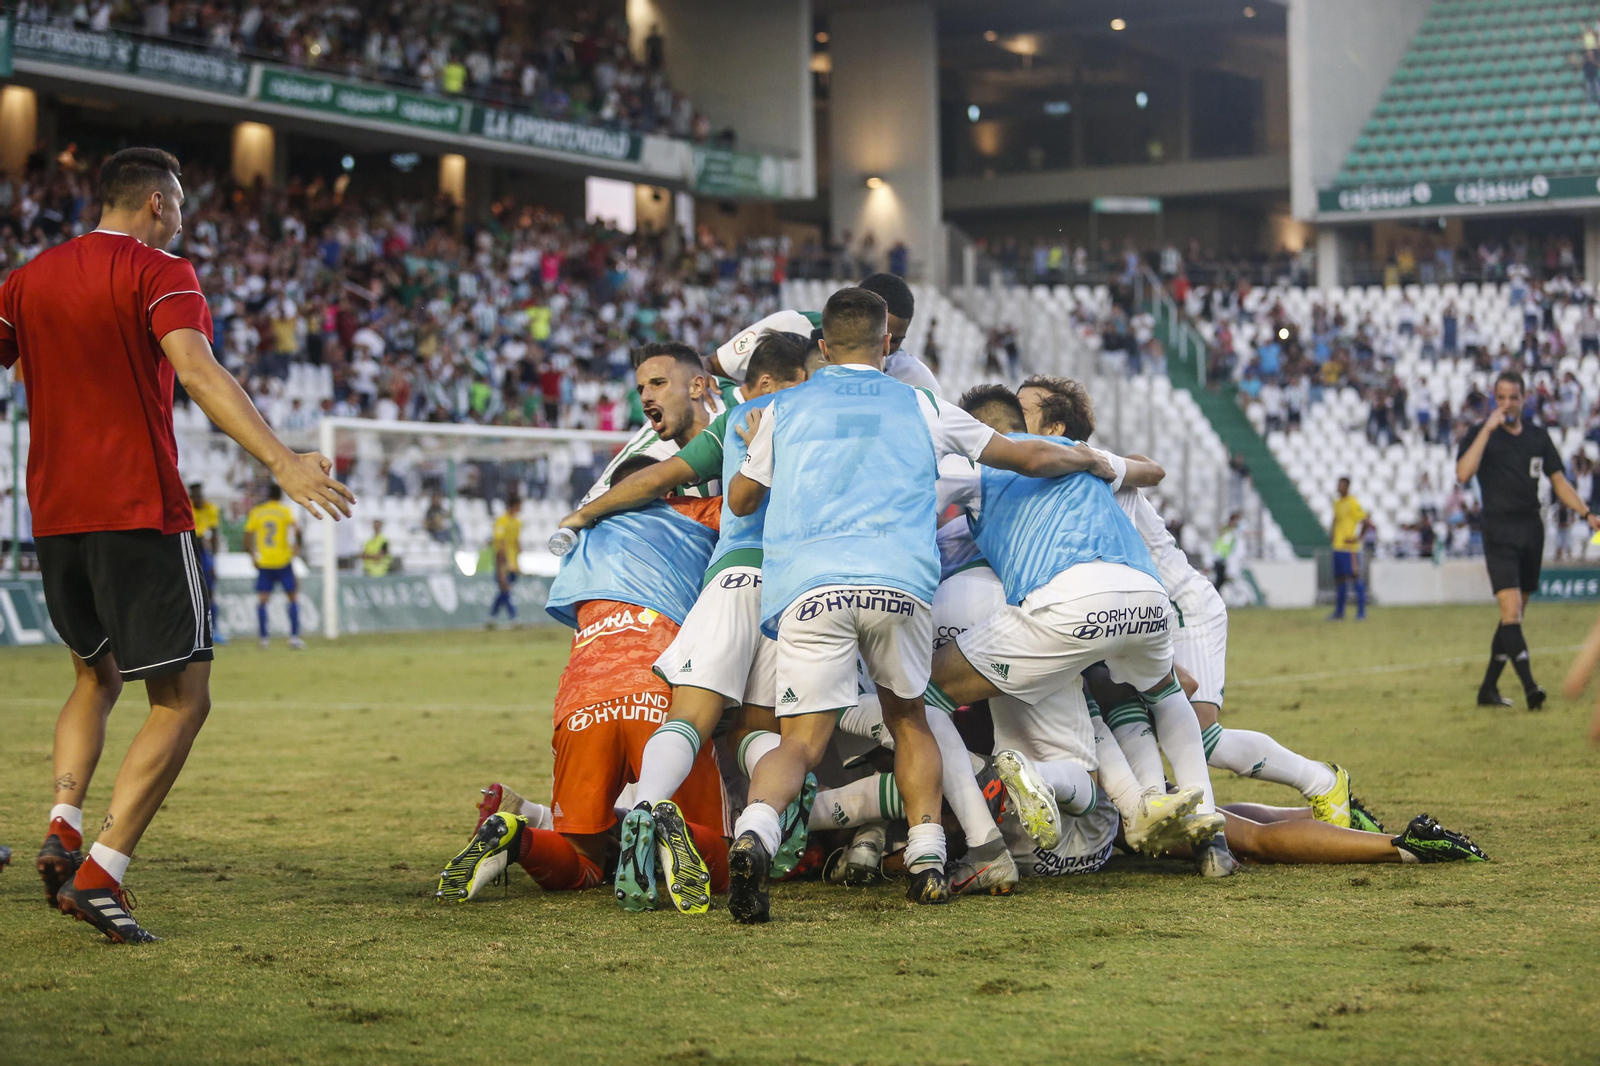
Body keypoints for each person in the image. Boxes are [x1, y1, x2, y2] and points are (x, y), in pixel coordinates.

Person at [0, 147, 351, 943]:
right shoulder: (159, 271)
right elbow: (196, 373)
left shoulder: (27, 280)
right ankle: (101, 872)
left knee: (94, 676)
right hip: (136, 509)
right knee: (183, 699)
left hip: (53, 516)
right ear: (157, 203)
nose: (185, 220)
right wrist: (282, 462)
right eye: (182, 205)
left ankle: (62, 823)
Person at [722, 287, 1113, 921]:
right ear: (886, 343)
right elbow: (1024, 455)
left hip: (810, 586)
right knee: (909, 719)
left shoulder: (784, 408)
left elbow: (741, 501)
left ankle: (756, 834)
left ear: (823, 346)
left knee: (800, 742)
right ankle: (928, 856)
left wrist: (756, 447)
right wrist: (1094, 460)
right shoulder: (923, 403)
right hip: (897, 583)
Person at [554, 330, 814, 911]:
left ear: (701, 386)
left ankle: (646, 813)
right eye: (641, 387)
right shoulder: (808, 421)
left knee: (696, 720)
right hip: (795, 584)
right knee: (769, 732)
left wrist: (581, 516)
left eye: (658, 383)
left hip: (730, 587)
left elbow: (656, 485)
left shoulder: (733, 424)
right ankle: (784, 827)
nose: (647, 397)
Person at [438, 460, 729, 912]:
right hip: (658, 689)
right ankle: (669, 829)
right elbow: (757, 501)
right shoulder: (693, 512)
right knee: (720, 855)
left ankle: (517, 837)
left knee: (583, 862)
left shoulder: (581, 539)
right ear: (664, 486)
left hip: (581, 696)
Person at [1456, 371, 1600, 708]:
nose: (1506, 404)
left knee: (1514, 615)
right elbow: (1463, 474)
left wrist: (1586, 513)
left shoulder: (1537, 437)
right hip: (1498, 530)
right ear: (1493, 399)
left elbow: (1559, 481)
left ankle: (1487, 690)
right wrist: (1487, 429)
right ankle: (1531, 689)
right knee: (1511, 611)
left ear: (1524, 399)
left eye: (1513, 397)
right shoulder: (1480, 434)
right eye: (1500, 397)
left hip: (1531, 530)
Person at [858, 272, 940, 394]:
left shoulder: (916, 381)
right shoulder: (827, 367)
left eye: (894, 341)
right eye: (878, 337)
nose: (886, 347)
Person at [244, 486, 304, 650]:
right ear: (280, 496)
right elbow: (298, 530)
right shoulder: (285, 511)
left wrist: (252, 555)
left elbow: (247, 536)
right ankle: (294, 638)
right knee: (293, 598)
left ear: (267, 495)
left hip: (265, 562)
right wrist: (297, 546)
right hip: (283, 561)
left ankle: (264, 640)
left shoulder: (257, 512)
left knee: (263, 600)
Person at [188, 481, 226, 644]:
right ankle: (192, 631)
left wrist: (214, 560)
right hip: (189, 550)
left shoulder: (210, 508)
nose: (198, 498)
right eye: (195, 495)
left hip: (203, 553)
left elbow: (215, 533)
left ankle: (213, 629)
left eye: (200, 495)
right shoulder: (186, 507)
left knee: (209, 592)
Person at [1329, 477, 1370, 620]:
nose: (1338, 487)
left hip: (1349, 548)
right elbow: (1335, 520)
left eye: (1341, 485)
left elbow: (1366, 521)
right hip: (1337, 547)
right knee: (1339, 579)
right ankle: (1339, 613)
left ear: (1347, 486)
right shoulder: (1337, 503)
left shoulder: (1352, 502)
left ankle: (1361, 612)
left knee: (1355, 578)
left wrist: (1358, 538)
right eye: (1338, 484)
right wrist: (1332, 534)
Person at [487, 496, 521, 626]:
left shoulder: (517, 522)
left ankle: (492, 617)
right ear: (514, 506)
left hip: (513, 563)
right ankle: (513, 617)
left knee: (504, 591)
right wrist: (502, 564)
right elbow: (500, 543)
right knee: (505, 589)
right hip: (503, 562)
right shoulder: (501, 521)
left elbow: (517, 542)